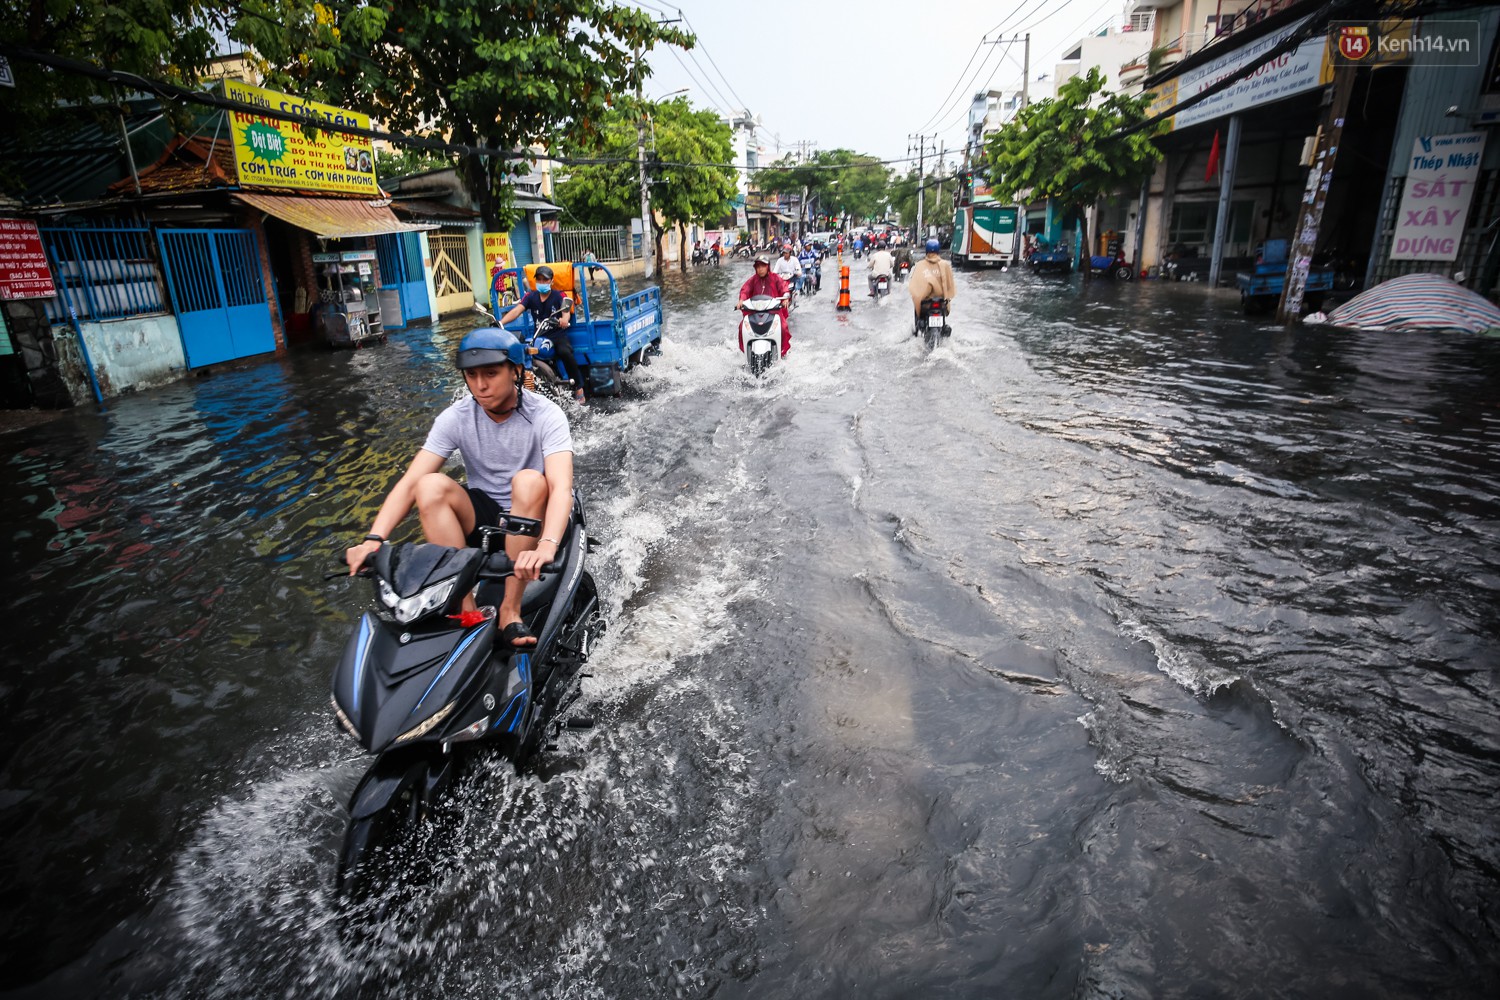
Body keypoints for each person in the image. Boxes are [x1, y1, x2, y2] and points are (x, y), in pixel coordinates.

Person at [345, 328, 575, 648]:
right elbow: (411, 480)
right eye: (472, 375)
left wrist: (548, 545)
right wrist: (373, 539)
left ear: (516, 372)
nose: (480, 385)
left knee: (528, 481)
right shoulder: (456, 417)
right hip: (485, 515)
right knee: (429, 486)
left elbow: (561, 486)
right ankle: (467, 608)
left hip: (533, 515)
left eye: (491, 373)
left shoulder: (546, 415)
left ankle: (510, 610)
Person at [500, 265, 585, 404]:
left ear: (551, 281)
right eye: (539, 279)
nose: (542, 282)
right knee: (519, 351)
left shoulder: (559, 295)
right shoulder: (530, 296)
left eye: (545, 280)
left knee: (565, 352)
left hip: (557, 336)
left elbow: (566, 313)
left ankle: (578, 388)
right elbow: (517, 311)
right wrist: (501, 323)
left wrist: (563, 320)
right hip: (539, 336)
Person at [737, 253, 792, 357]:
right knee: (742, 327)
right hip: (755, 312)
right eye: (758, 266)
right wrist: (741, 300)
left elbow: (784, 288)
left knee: (783, 327)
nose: (760, 269)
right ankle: (745, 352)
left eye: (763, 266)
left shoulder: (775, 278)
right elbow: (745, 290)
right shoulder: (753, 280)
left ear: (768, 267)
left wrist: (785, 298)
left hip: (773, 311)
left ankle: (782, 352)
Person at [908, 237, 956, 333]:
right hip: (942, 303)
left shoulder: (920, 265)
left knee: (916, 301)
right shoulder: (945, 265)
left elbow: (915, 283)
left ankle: (918, 329)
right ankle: (943, 326)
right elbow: (950, 285)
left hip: (926, 304)